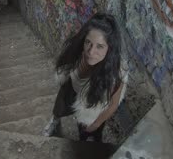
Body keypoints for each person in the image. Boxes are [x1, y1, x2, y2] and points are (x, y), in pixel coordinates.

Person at [42, 12, 128, 142]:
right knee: (59, 108)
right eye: (88, 42)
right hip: (71, 89)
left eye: (100, 46)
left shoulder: (115, 75)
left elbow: (113, 105)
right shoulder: (77, 52)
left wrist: (96, 124)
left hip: (91, 104)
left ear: (109, 49)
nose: (91, 52)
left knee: (87, 135)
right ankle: (55, 121)